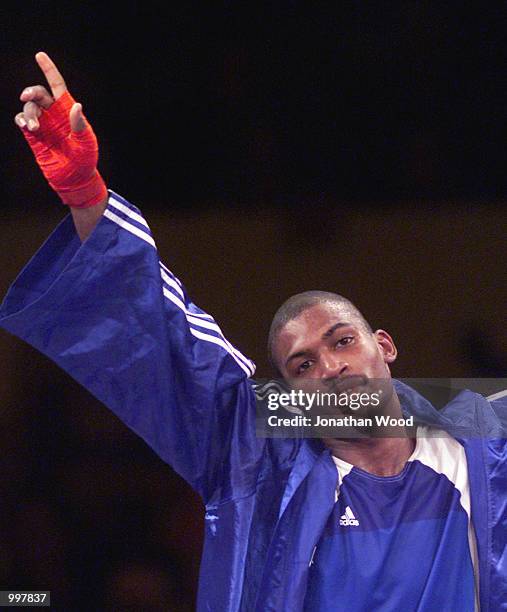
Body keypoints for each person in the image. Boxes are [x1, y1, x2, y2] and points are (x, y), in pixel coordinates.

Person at [2, 52, 506, 611]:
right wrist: (85, 193)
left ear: (384, 346)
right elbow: (167, 337)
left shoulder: (485, 438)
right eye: (302, 365)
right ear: (289, 398)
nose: (331, 368)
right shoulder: (255, 466)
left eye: (342, 341)